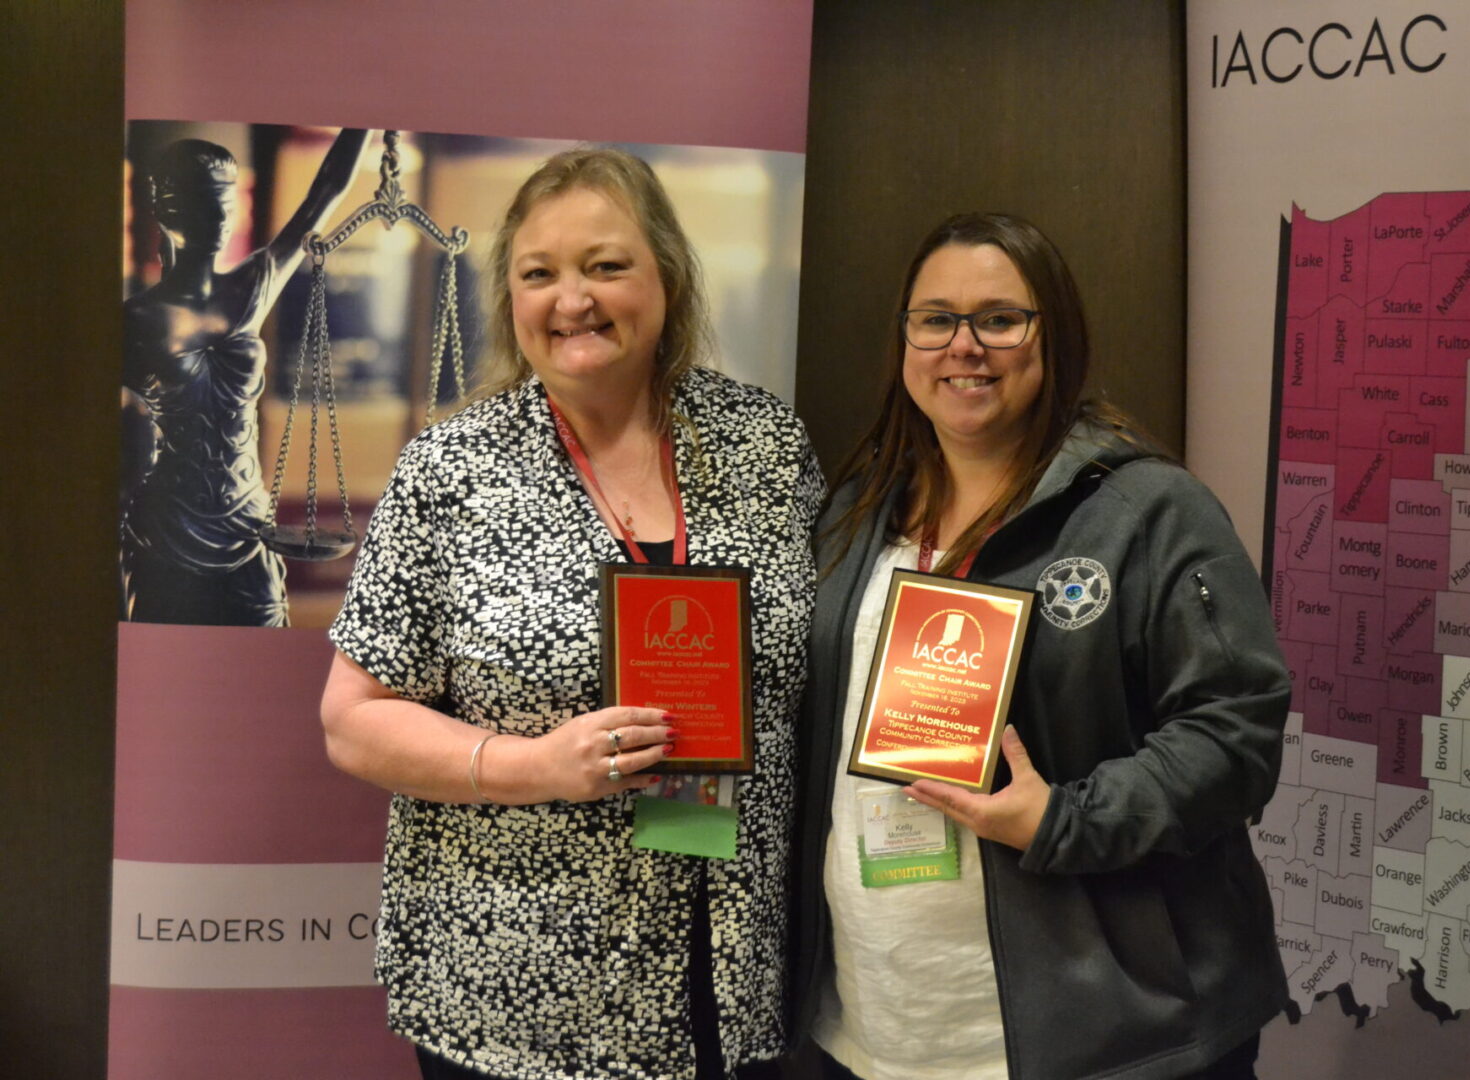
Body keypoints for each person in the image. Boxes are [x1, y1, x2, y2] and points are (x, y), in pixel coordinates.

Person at [321, 147, 822, 1080]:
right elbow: (352, 723)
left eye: (605, 265)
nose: (572, 299)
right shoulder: (453, 471)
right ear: (509, 298)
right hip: (517, 982)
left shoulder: (766, 443)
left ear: (666, 276)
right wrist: (536, 766)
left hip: (729, 967)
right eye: (538, 273)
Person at [792, 213, 1290, 1080]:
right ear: (906, 339)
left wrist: (1063, 819)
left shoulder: (1149, 510)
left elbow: (1234, 735)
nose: (964, 346)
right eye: (936, 318)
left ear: (1052, 333)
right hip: (873, 1027)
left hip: (1100, 1036)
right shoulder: (855, 513)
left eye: (1000, 318)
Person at [122, 128, 372, 626]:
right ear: (170, 212)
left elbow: (326, 191)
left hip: (247, 523)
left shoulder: (253, 287)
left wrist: (368, 121)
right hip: (169, 525)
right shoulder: (133, 321)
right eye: (204, 204)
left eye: (227, 203)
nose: (220, 217)